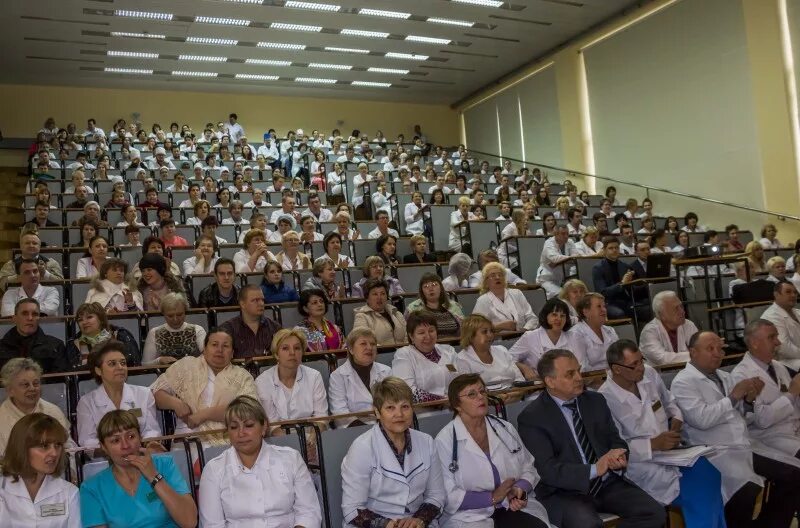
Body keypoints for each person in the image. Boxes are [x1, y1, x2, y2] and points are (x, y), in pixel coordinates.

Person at [517, 349, 666, 528]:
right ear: (550, 381)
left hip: (606, 484)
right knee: (587, 525)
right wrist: (596, 468)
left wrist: (618, 455)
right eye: (570, 374)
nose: (579, 378)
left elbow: (615, 440)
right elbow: (547, 471)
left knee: (654, 512)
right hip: (563, 492)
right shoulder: (533, 417)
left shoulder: (594, 401)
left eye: (579, 370)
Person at [671, 331, 800, 528]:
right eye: (710, 349)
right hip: (714, 450)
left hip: (744, 444)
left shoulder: (724, 376)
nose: (717, 354)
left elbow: (743, 416)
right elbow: (702, 420)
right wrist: (733, 397)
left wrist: (749, 401)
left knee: (793, 474)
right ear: (693, 352)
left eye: (720, 349)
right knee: (745, 491)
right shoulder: (683, 382)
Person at [599, 339, 727, 528]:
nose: (641, 368)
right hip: (639, 466)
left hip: (672, 454)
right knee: (699, 492)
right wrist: (653, 444)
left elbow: (669, 402)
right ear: (616, 369)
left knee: (711, 474)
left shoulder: (649, 374)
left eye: (641, 360)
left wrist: (676, 419)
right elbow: (613, 446)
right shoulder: (604, 398)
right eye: (633, 365)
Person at [434, 374, 550, 527]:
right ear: (457, 404)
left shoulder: (504, 428)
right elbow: (448, 494)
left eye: (482, 391)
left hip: (512, 507)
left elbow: (528, 467)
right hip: (471, 516)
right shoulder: (445, 441)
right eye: (472, 394)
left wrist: (518, 490)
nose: (480, 397)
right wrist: (493, 498)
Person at [198, 395, 322, 527]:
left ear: (264, 427)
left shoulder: (291, 459)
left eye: (249, 425)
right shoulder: (214, 469)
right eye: (234, 427)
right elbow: (212, 525)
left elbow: (309, 513)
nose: (241, 433)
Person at [340, 377, 446, 526]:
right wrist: (388, 525)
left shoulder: (426, 442)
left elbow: (436, 495)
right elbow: (352, 509)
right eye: (390, 408)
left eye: (405, 407)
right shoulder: (361, 448)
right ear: (377, 412)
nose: (399, 414)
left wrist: (419, 520)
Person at [79, 410, 197, 527]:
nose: (126, 445)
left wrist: (154, 476)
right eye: (116, 440)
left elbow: (190, 521)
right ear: (104, 447)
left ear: (140, 437)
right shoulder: (91, 488)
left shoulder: (164, 464)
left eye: (131, 436)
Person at [151, 327, 258, 445]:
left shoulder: (242, 376)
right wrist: (175, 403)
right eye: (214, 344)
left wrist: (205, 415)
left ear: (232, 353)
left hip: (229, 440)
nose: (220, 350)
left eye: (225, 346)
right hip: (189, 437)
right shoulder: (187, 365)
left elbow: (250, 410)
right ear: (204, 349)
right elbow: (155, 393)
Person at [731, 320, 800, 459]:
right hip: (771, 437)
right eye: (771, 337)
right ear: (754, 343)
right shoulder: (742, 376)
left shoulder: (777, 366)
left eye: (777, 336)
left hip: (795, 429)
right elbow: (762, 420)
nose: (778, 342)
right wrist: (792, 394)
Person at [76, 341, 161, 449]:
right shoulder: (86, 402)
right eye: (112, 364)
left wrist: (138, 447)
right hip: (105, 460)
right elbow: (87, 441)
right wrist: (116, 450)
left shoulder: (144, 394)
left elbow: (152, 431)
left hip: (140, 453)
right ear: (98, 370)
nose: (120, 367)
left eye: (123, 363)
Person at [0, 413, 80, 527]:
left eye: (58, 445)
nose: (54, 453)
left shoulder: (69, 493)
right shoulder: (2, 489)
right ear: (22, 448)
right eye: (44, 446)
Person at [255, 329, 329, 434]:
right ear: (276, 354)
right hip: (279, 439)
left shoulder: (314, 376)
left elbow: (321, 417)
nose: (292, 353)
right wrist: (292, 445)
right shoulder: (263, 381)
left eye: (297, 348)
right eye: (285, 348)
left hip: (314, 434)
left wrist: (313, 440)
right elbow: (272, 425)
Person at [0, 358, 72, 456]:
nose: (32, 388)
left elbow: (69, 450)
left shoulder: (52, 411)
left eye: (36, 383)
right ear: (10, 390)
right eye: (25, 385)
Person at [328, 328, 391, 427]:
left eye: (373, 344)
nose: (369, 347)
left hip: (387, 425)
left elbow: (394, 403)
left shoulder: (386, 371)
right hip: (355, 430)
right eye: (363, 344)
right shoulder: (338, 376)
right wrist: (367, 430)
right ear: (351, 349)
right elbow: (340, 412)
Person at [392, 312, 458, 402]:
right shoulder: (403, 355)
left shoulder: (449, 350)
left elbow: (461, 380)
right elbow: (406, 390)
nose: (428, 336)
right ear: (411, 336)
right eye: (421, 332)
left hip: (454, 406)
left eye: (431, 331)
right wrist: (441, 400)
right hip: (423, 411)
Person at [509, 298, 583, 377]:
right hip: (539, 386)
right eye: (554, 315)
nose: (559, 319)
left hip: (569, 383)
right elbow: (508, 358)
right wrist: (524, 368)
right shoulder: (530, 337)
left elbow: (580, 365)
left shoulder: (573, 337)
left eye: (562, 316)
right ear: (545, 316)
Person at [0, 299, 71, 373]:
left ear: (39, 319)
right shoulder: (1, 346)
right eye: (25, 313)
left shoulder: (56, 346)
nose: (30, 318)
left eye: (35, 314)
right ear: (14, 319)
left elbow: (59, 381)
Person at [455, 314, 524, 389]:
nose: (490, 335)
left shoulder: (502, 350)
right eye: (484, 332)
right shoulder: (462, 359)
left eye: (491, 331)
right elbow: (468, 390)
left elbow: (519, 379)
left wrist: (516, 393)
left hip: (515, 396)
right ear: (471, 336)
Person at [66, 302, 140, 367]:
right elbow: (73, 370)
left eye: (89, 317)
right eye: (80, 320)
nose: (84, 322)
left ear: (101, 319)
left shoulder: (120, 334)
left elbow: (133, 362)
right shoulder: (73, 343)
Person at [592, 236, 649, 320]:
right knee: (619, 314)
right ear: (604, 250)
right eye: (611, 248)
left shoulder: (625, 266)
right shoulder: (598, 268)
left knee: (647, 309)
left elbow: (631, 290)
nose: (614, 250)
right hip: (608, 303)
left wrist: (635, 283)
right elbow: (602, 292)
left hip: (626, 301)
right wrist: (622, 284)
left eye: (616, 247)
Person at [218, 284, 281, 358]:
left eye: (262, 300)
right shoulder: (228, 329)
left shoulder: (275, 328)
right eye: (255, 300)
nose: (261, 304)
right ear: (242, 304)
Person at [142, 293, 206, 364]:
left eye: (179, 315)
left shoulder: (197, 330)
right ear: (163, 314)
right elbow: (145, 364)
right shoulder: (154, 333)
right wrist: (159, 360)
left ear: (185, 312)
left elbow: (207, 356)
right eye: (170, 316)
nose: (175, 319)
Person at [474, 262, 538, 332]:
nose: (497, 277)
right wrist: (497, 326)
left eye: (500, 275)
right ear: (486, 281)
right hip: (498, 340)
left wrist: (525, 330)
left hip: (524, 335)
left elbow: (532, 318)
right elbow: (476, 327)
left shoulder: (517, 293)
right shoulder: (482, 301)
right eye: (493, 275)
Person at [639, 290, 698, 365]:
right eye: (676, 308)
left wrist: (697, 354)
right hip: (660, 375)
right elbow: (662, 359)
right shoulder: (649, 332)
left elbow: (700, 350)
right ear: (662, 314)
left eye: (681, 306)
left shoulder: (689, 325)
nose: (682, 311)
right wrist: (694, 355)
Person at [404, 273, 464, 339]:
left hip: (455, 346)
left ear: (441, 288)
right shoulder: (413, 308)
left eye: (434, 285)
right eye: (426, 286)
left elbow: (464, 330)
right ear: (422, 291)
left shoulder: (454, 306)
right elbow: (407, 334)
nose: (430, 289)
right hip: (425, 346)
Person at [570, 293, 619, 372]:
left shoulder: (610, 330)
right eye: (599, 306)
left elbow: (619, 358)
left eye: (604, 306)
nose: (604, 310)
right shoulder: (576, 334)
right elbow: (583, 368)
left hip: (615, 375)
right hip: (594, 381)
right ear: (586, 312)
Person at [353, 279, 407, 345]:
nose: (379, 297)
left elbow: (407, 336)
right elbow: (363, 342)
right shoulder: (362, 317)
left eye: (383, 294)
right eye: (375, 294)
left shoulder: (397, 314)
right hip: (380, 354)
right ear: (367, 298)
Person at [761, 280, 800, 370]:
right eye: (788, 292)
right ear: (776, 294)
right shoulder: (771, 316)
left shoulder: (797, 312)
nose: (793, 295)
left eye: (795, 292)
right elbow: (783, 347)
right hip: (783, 362)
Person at [536, 225, 577, 298]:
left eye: (567, 233)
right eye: (563, 234)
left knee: (576, 294)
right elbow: (555, 258)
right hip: (546, 279)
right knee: (562, 295)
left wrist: (561, 261)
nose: (566, 236)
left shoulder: (570, 242)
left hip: (563, 279)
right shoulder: (549, 243)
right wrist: (570, 259)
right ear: (556, 234)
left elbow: (576, 257)